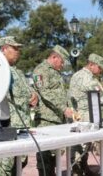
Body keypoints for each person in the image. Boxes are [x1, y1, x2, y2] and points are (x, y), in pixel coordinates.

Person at [0, 36, 37, 176]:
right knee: (4, 168)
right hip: (7, 126)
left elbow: (28, 92)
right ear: (4, 49)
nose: (18, 51)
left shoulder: (18, 72)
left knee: (20, 162)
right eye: (15, 48)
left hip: (21, 126)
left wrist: (34, 95)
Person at [32, 45, 72, 176]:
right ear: (54, 57)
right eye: (62, 62)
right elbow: (46, 93)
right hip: (46, 120)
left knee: (55, 155)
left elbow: (61, 94)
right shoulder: (41, 70)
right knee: (45, 157)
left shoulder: (56, 72)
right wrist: (63, 108)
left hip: (57, 119)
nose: (62, 65)